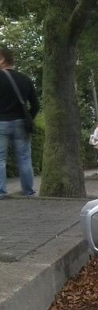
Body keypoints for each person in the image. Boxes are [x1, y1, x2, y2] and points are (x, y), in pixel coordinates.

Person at [0, 45, 40, 199]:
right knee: (24, 158)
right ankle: (29, 192)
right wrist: (27, 117)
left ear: (2, 59)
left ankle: (1, 192)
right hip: (21, 124)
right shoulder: (25, 79)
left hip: (1, 123)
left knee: (0, 159)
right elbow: (36, 105)